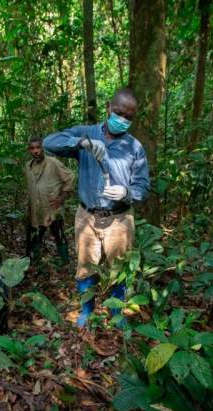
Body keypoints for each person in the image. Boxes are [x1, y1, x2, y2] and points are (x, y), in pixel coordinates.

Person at [43, 88, 150, 328]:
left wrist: (127, 192)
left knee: (118, 267)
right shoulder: (87, 133)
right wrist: (81, 143)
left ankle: (116, 314)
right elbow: (48, 143)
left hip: (119, 218)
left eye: (128, 117)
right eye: (119, 113)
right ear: (109, 108)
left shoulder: (134, 147)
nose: (122, 120)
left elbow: (143, 185)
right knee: (85, 265)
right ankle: (86, 311)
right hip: (87, 216)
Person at [25, 136, 74, 265]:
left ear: (43, 148)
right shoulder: (28, 167)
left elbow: (69, 177)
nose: (35, 151)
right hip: (37, 210)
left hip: (53, 209)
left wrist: (62, 198)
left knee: (59, 236)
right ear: (29, 150)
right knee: (36, 237)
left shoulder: (53, 163)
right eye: (32, 148)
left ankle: (65, 263)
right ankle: (35, 263)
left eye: (38, 147)